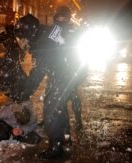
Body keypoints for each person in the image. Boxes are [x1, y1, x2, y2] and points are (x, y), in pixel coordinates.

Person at [14, 6, 87, 160]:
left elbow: (38, 73)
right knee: (59, 107)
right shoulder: (45, 34)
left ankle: (56, 147)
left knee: (51, 110)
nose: (23, 41)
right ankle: (66, 139)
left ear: (30, 32)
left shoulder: (42, 43)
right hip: (69, 72)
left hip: (65, 74)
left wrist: (26, 92)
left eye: (23, 37)